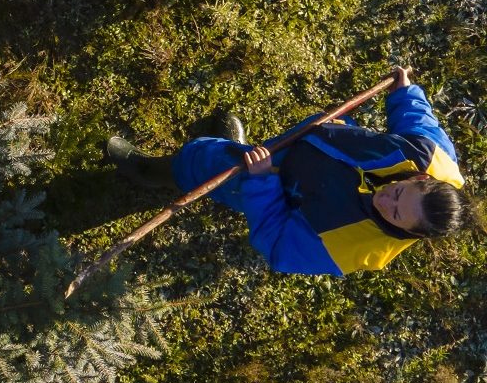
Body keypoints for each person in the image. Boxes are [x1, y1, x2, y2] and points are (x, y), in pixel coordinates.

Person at [104, 65, 467, 275]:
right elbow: (419, 123)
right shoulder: (431, 157)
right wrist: (405, 93)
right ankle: (237, 149)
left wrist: (261, 183)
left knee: (203, 161)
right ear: (421, 178)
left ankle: (153, 172)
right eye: (400, 193)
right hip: (306, 145)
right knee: (248, 152)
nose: (387, 200)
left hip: (277, 185)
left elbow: (277, 246)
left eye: (396, 215)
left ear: (409, 233)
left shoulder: (352, 249)